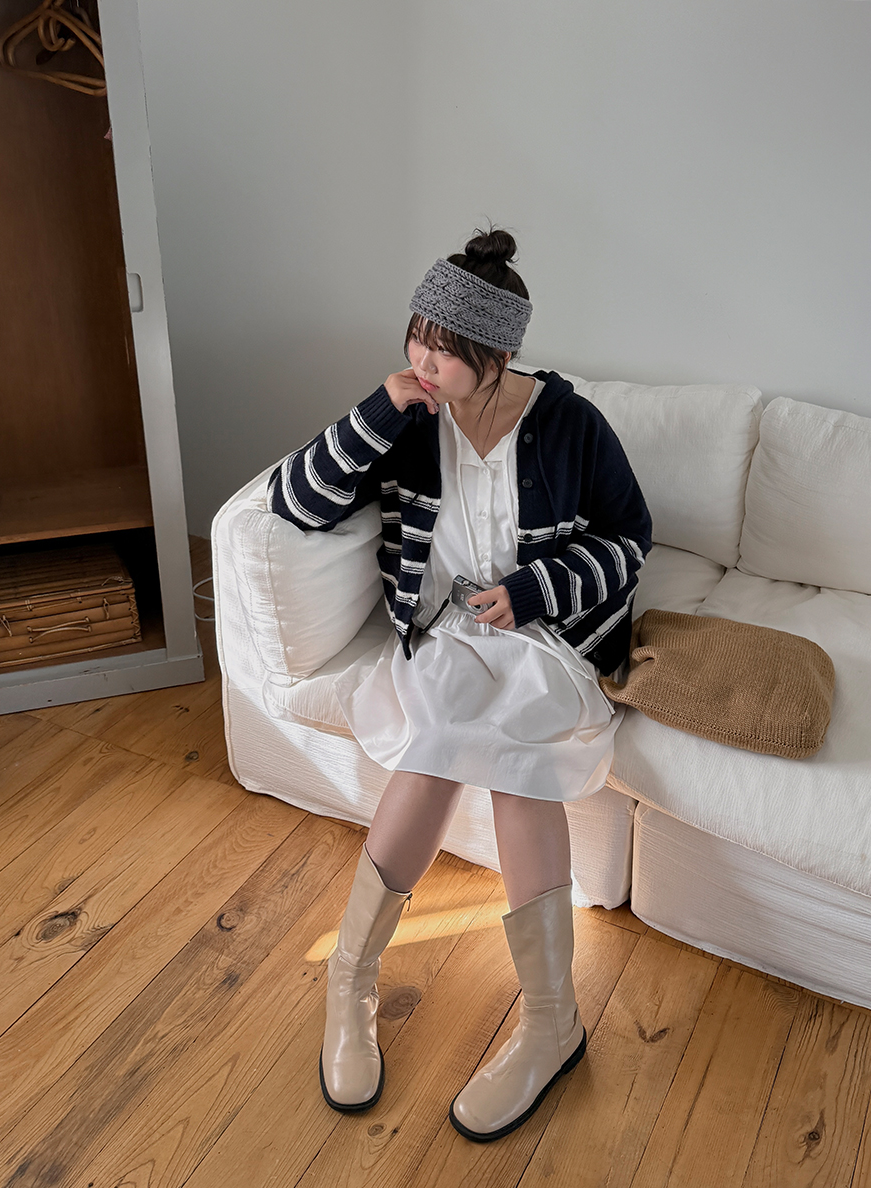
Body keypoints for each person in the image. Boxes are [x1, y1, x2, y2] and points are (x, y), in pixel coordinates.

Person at [267, 228, 652, 1142]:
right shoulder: (407, 417)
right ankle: (350, 983)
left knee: (517, 758)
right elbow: (296, 501)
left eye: (445, 349)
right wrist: (377, 410)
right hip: (444, 634)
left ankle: (552, 1024)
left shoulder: (570, 423)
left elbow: (630, 539)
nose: (423, 360)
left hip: (544, 638)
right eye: (417, 335)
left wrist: (533, 591)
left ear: (501, 357)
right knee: (437, 743)